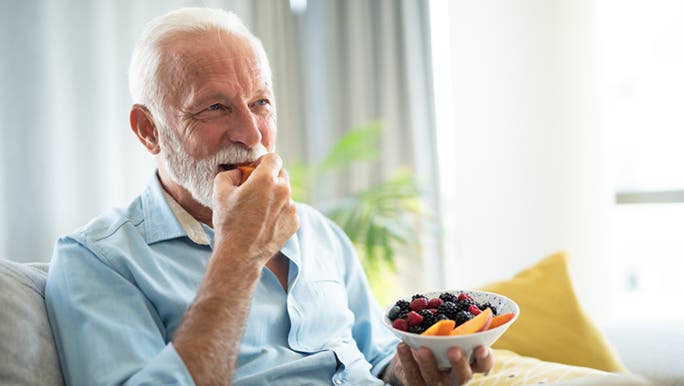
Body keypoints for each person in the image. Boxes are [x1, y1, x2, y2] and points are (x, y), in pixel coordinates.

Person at [45, 7, 493, 386]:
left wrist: (413, 369)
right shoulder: (96, 260)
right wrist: (239, 252)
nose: (251, 134)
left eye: (260, 102)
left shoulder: (320, 232)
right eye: (215, 107)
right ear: (149, 131)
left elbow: (373, 360)